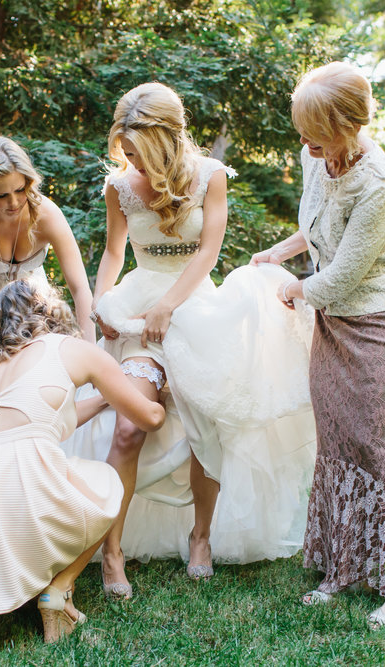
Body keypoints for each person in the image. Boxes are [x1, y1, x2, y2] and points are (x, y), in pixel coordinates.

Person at [62, 82, 317, 599]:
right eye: (125, 151)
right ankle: (111, 553)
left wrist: (169, 306)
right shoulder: (119, 187)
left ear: (164, 140)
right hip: (138, 309)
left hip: (196, 305)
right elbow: (113, 255)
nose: (129, 159)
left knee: (206, 424)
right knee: (129, 428)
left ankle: (201, 536)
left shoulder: (210, 177)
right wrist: (101, 305)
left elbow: (208, 250)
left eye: (136, 150)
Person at [251, 62, 385, 630]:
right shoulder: (314, 155)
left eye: (313, 130)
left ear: (345, 125)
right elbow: (319, 229)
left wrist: (294, 288)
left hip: (376, 326)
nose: (303, 143)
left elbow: (341, 277)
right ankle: (343, 567)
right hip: (332, 324)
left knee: (377, 445)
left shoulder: (380, 185)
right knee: (337, 442)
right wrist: (279, 253)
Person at [0, 281, 165, 650]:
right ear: (48, 309)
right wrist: (159, 398)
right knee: (106, 484)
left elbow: (47, 423)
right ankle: (58, 591)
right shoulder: (70, 348)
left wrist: (107, 400)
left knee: (11, 488)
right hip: (25, 490)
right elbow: (150, 419)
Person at [0, 137, 94, 408]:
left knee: (40, 417)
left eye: (20, 190)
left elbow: (79, 288)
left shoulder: (46, 214)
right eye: (2, 196)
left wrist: (90, 350)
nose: (15, 202)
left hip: (35, 325)